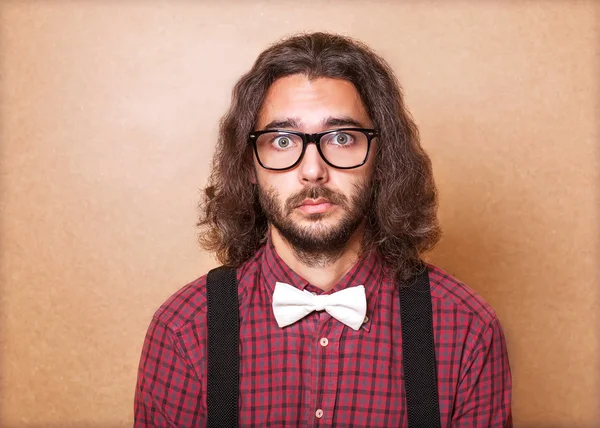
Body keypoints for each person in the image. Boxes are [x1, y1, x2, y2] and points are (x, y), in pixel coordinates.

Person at [134, 32, 512, 427]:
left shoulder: (466, 329)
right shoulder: (184, 330)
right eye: (282, 140)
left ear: (383, 158)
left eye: (342, 138)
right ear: (249, 165)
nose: (313, 169)